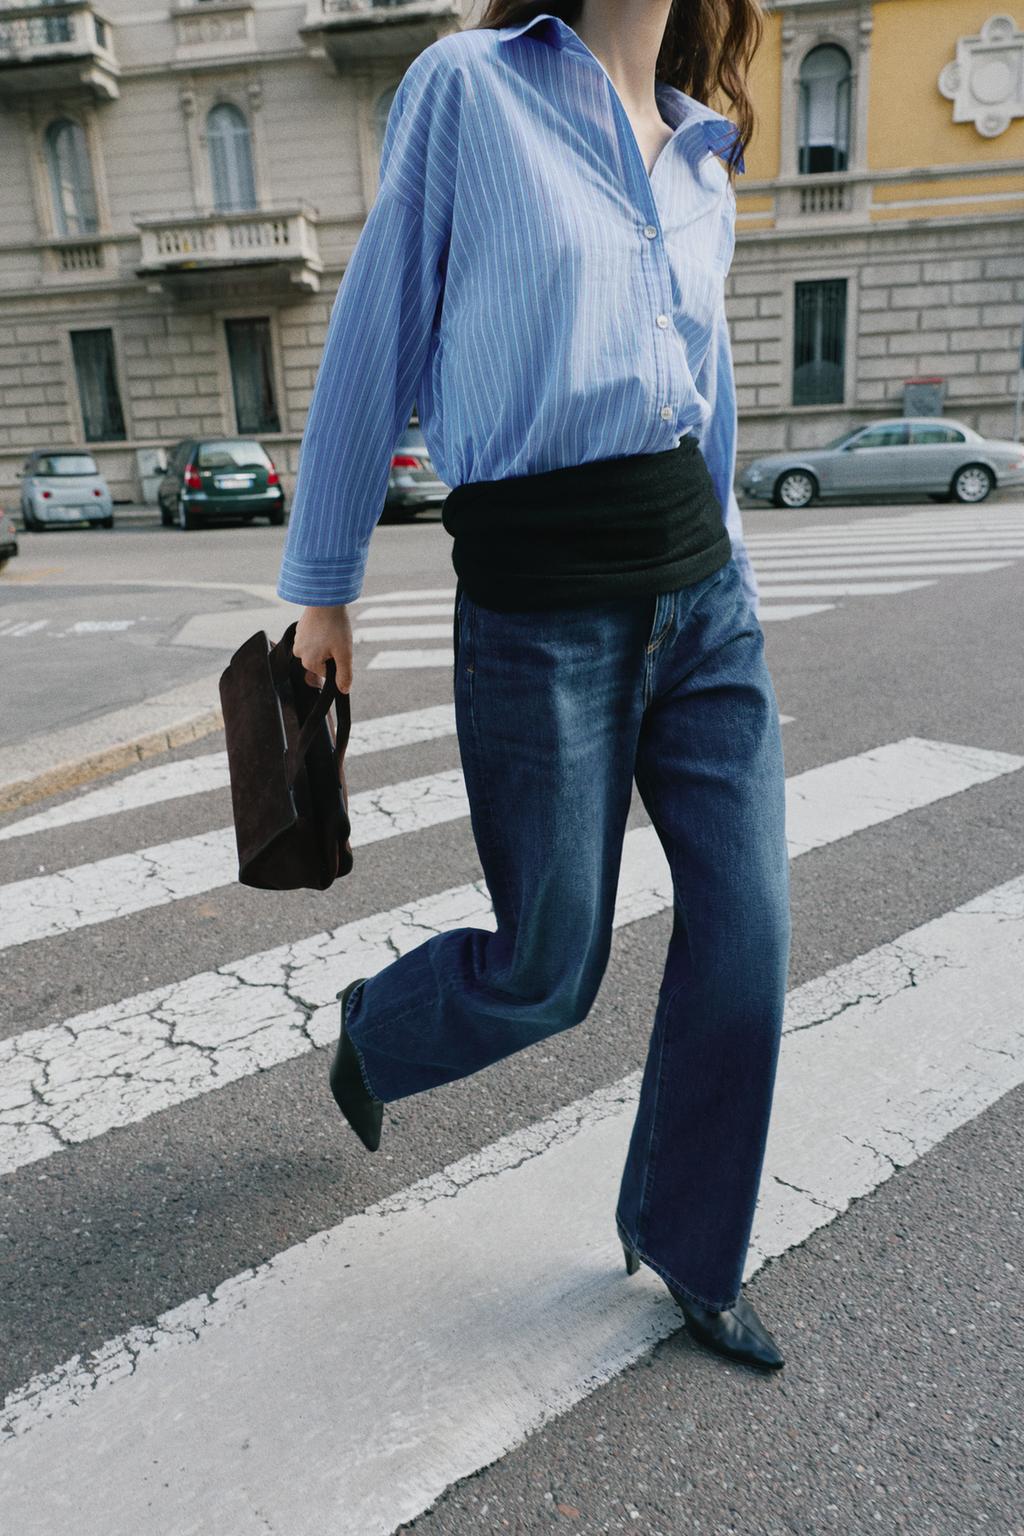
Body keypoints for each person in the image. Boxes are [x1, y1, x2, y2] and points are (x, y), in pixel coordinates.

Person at [276, 0, 791, 1374]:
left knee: (749, 942)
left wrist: (729, 571)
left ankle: (692, 1248)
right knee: (548, 969)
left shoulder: (700, 151)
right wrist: (323, 587)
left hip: (704, 600)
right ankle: (375, 1030)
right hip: (539, 608)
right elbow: (378, 328)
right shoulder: (468, 90)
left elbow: (706, 376)